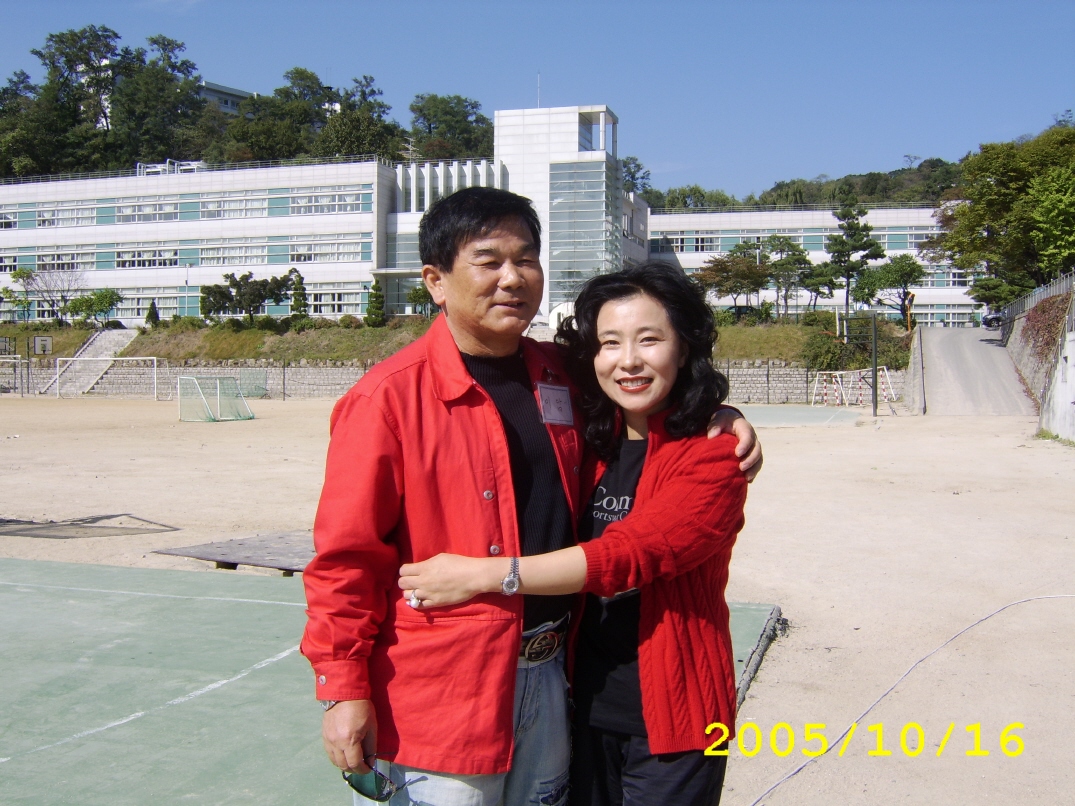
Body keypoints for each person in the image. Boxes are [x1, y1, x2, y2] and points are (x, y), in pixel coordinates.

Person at [301, 188, 760, 806]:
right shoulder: (386, 399)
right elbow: (346, 559)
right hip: (445, 691)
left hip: (553, 679)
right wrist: (343, 688)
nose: (513, 278)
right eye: (489, 261)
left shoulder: (563, 375)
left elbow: (647, 389)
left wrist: (722, 415)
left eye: (526, 259)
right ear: (436, 281)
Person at [398, 262, 748, 805]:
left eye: (650, 340)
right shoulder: (592, 441)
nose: (628, 360)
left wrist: (482, 576)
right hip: (580, 709)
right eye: (609, 343)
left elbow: (631, 555)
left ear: (684, 349)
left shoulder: (713, 454)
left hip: (679, 722)